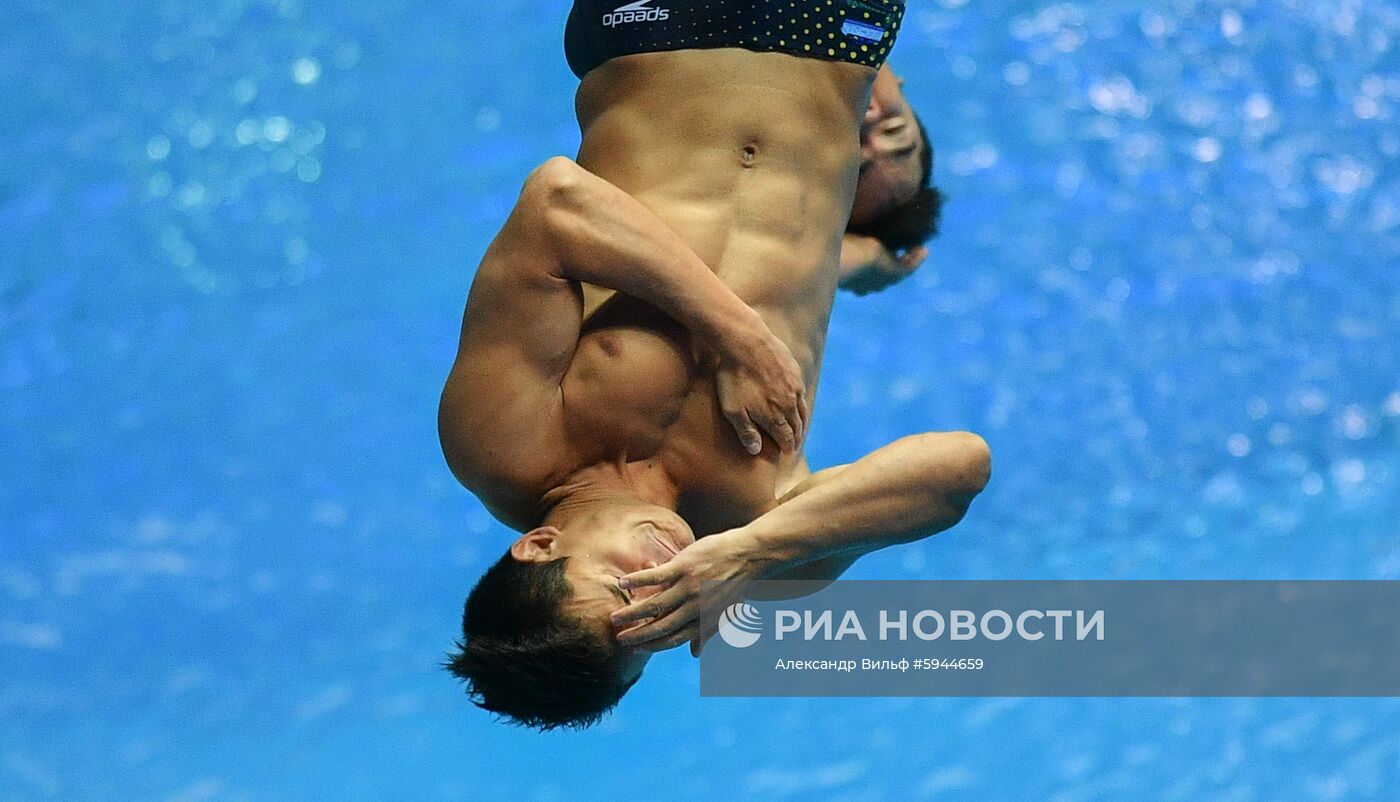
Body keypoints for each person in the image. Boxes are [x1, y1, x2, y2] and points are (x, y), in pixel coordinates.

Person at [438, 0, 990, 730]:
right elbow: (958, 469)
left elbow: (555, 203)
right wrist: (756, 552)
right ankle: (867, 262)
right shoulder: (752, 553)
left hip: (666, 30)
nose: (661, 576)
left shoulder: (500, 445)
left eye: (621, 587)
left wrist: (737, 336)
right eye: (655, 623)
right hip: (830, 39)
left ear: (542, 546)